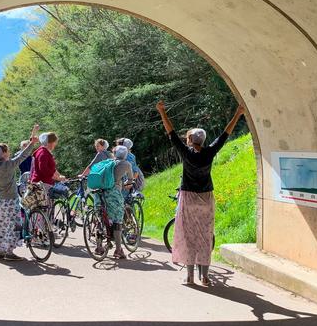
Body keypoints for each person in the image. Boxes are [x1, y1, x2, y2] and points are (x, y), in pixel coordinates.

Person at [156, 100, 245, 286]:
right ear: (203, 140)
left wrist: (162, 111)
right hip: (206, 198)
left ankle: (189, 276)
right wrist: (238, 113)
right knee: (205, 236)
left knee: (188, 236)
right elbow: (225, 134)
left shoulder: (186, 153)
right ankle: (205, 276)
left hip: (188, 197)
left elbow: (170, 132)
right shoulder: (210, 152)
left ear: (190, 140)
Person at [0, 124, 39, 261]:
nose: (9, 152)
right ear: (3, 154)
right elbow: (23, 154)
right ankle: (9, 252)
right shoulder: (9, 165)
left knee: (0, 226)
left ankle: (0, 252)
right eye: (7, 151)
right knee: (13, 225)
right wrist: (32, 143)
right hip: (11, 201)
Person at [96, 145, 134, 259]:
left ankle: (99, 247)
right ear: (125, 154)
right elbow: (130, 179)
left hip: (99, 192)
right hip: (113, 193)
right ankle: (118, 250)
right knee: (117, 219)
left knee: (101, 217)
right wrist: (127, 183)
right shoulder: (126, 164)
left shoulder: (108, 162)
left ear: (114, 153)